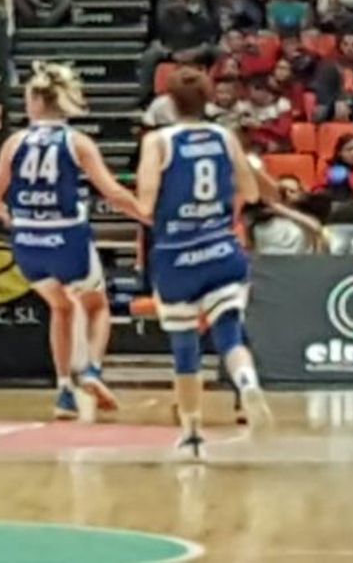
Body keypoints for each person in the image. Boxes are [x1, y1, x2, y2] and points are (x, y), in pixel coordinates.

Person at [0, 63, 142, 420]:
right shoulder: (77, 142)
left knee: (61, 307)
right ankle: (92, 370)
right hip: (67, 238)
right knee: (97, 306)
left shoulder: (14, 143)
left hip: (28, 242)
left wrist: (13, 218)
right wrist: (147, 215)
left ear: (38, 101)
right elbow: (113, 193)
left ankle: (64, 391)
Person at [135, 69, 269, 461]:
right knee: (230, 334)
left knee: (184, 347)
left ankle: (192, 432)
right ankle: (247, 383)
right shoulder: (224, 136)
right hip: (222, 248)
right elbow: (251, 193)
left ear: (169, 102)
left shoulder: (157, 141)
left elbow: (145, 205)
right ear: (208, 99)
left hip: (177, 254)